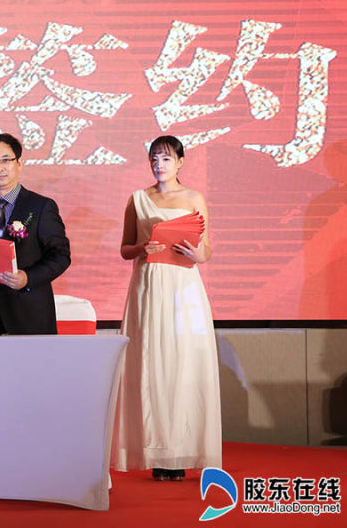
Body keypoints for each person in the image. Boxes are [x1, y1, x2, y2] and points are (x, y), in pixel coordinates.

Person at [111, 135, 221, 481]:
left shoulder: (193, 198)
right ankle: (156, 451)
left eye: (167, 159)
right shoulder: (138, 199)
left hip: (183, 287)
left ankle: (183, 449)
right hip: (148, 286)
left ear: (180, 162)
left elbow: (206, 250)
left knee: (183, 362)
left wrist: (196, 253)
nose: (159, 165)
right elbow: (125, 249)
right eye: (154, 159)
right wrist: (142, 247)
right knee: (151, 364)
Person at [0, 133, 70, 334]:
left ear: (19, 163)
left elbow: (61, 255)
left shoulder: (41, 206)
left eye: (6, 160)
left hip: (30, 314)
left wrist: (27, 278)